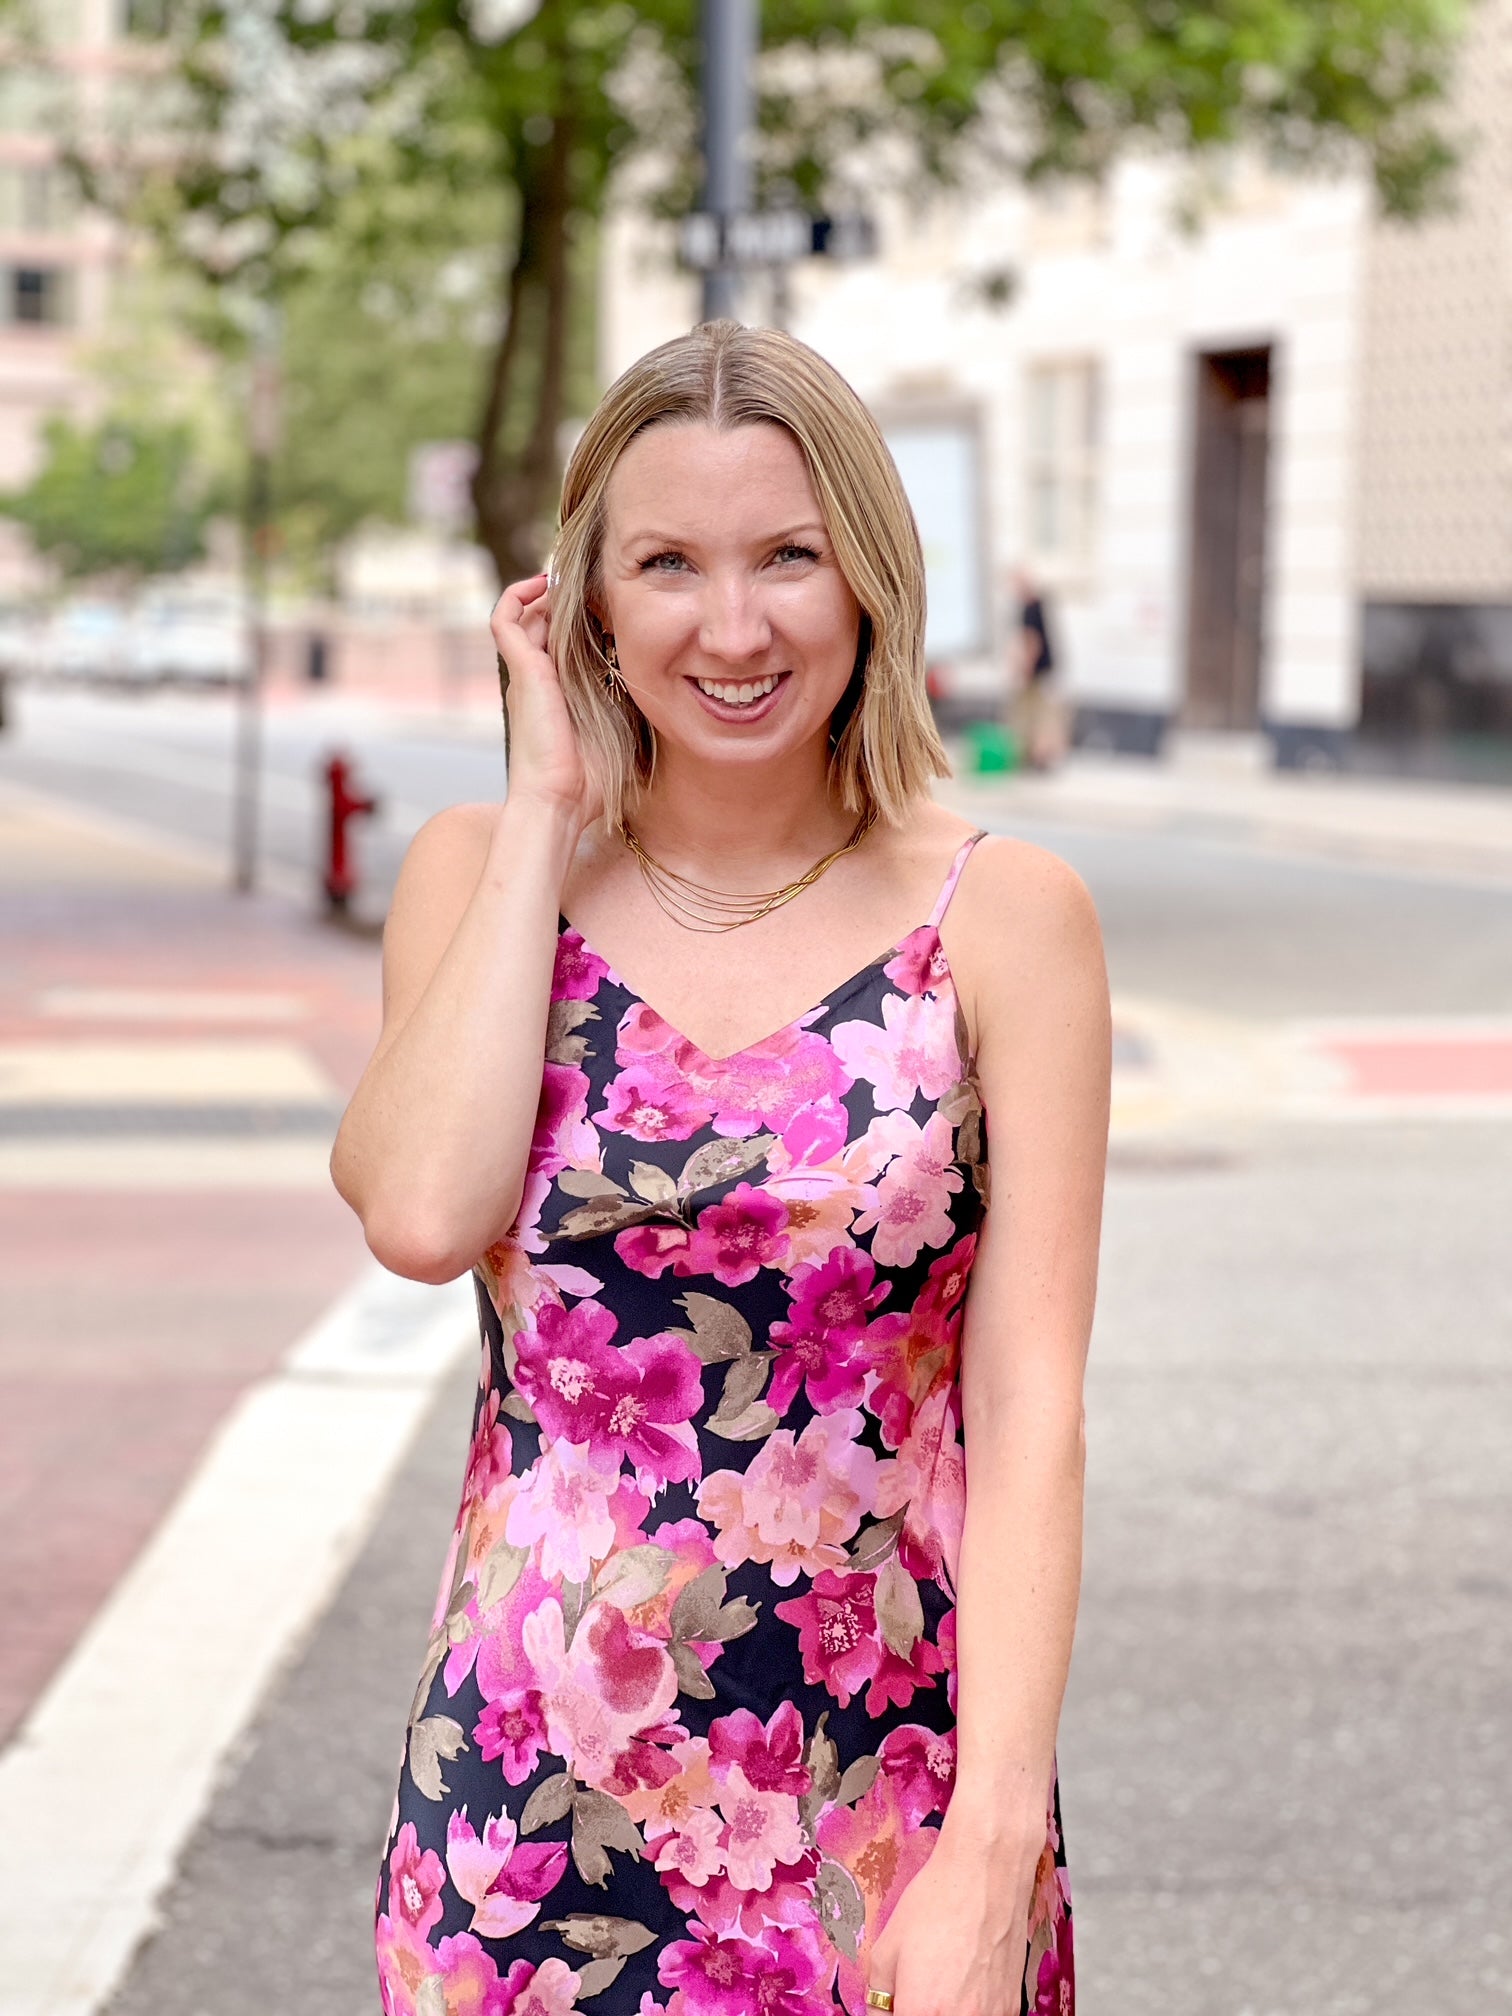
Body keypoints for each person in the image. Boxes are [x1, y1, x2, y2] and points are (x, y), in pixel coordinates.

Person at [332, 320, 1109, 2016]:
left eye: (787, 558)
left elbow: (1030, 1400)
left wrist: (990, 1846)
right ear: (590, 602)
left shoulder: (1006, 919)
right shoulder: (481, 874)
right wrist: (544, 809)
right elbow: (419, 1214)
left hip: (881, 1794)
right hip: (527, 1813)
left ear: (871, 583)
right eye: (668, 564)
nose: (734, 626)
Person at [1006, 568, 1068, 771]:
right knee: (1043, 713)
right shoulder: (1041, 605)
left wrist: (1025, 670)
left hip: (1036, 672)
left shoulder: (1029, 609)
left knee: (1033, 713)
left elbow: (1032, 641)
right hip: (1047, 669)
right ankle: (1039, 756)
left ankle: (1035, 756)